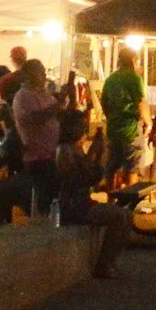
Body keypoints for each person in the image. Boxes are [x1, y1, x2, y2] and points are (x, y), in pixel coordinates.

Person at [52, 107, 132, 278]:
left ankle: (109, 260)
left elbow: (93, 177)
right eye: (80, 126)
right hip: (72, 206)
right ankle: (104, 264)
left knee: (125, 215)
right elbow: (75, 178)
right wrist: (93, 153)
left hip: (83, 201)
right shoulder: (64, 150)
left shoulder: (76, 148)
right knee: (118, 216)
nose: (83, 130)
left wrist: (99, 155)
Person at [9, 58, 65, 218]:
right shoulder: (23, 96)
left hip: (52, 153)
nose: (44, 75)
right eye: (40, 72)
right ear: (29, 75)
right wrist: (56, 106)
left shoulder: (44, 94)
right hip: (38, 156)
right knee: (46, 196)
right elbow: (36, 117)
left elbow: (57, 113)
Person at [100, 48, 146, 179]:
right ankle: (131, 197)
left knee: (112, 165)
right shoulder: (134, 77)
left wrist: (111, 116)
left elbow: (104, 102)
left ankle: (111, 196)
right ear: (133, 60)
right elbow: (141, 101)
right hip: (131, 128)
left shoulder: (111, 79)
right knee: (132, 166)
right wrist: (148, 123)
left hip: (113, 128)